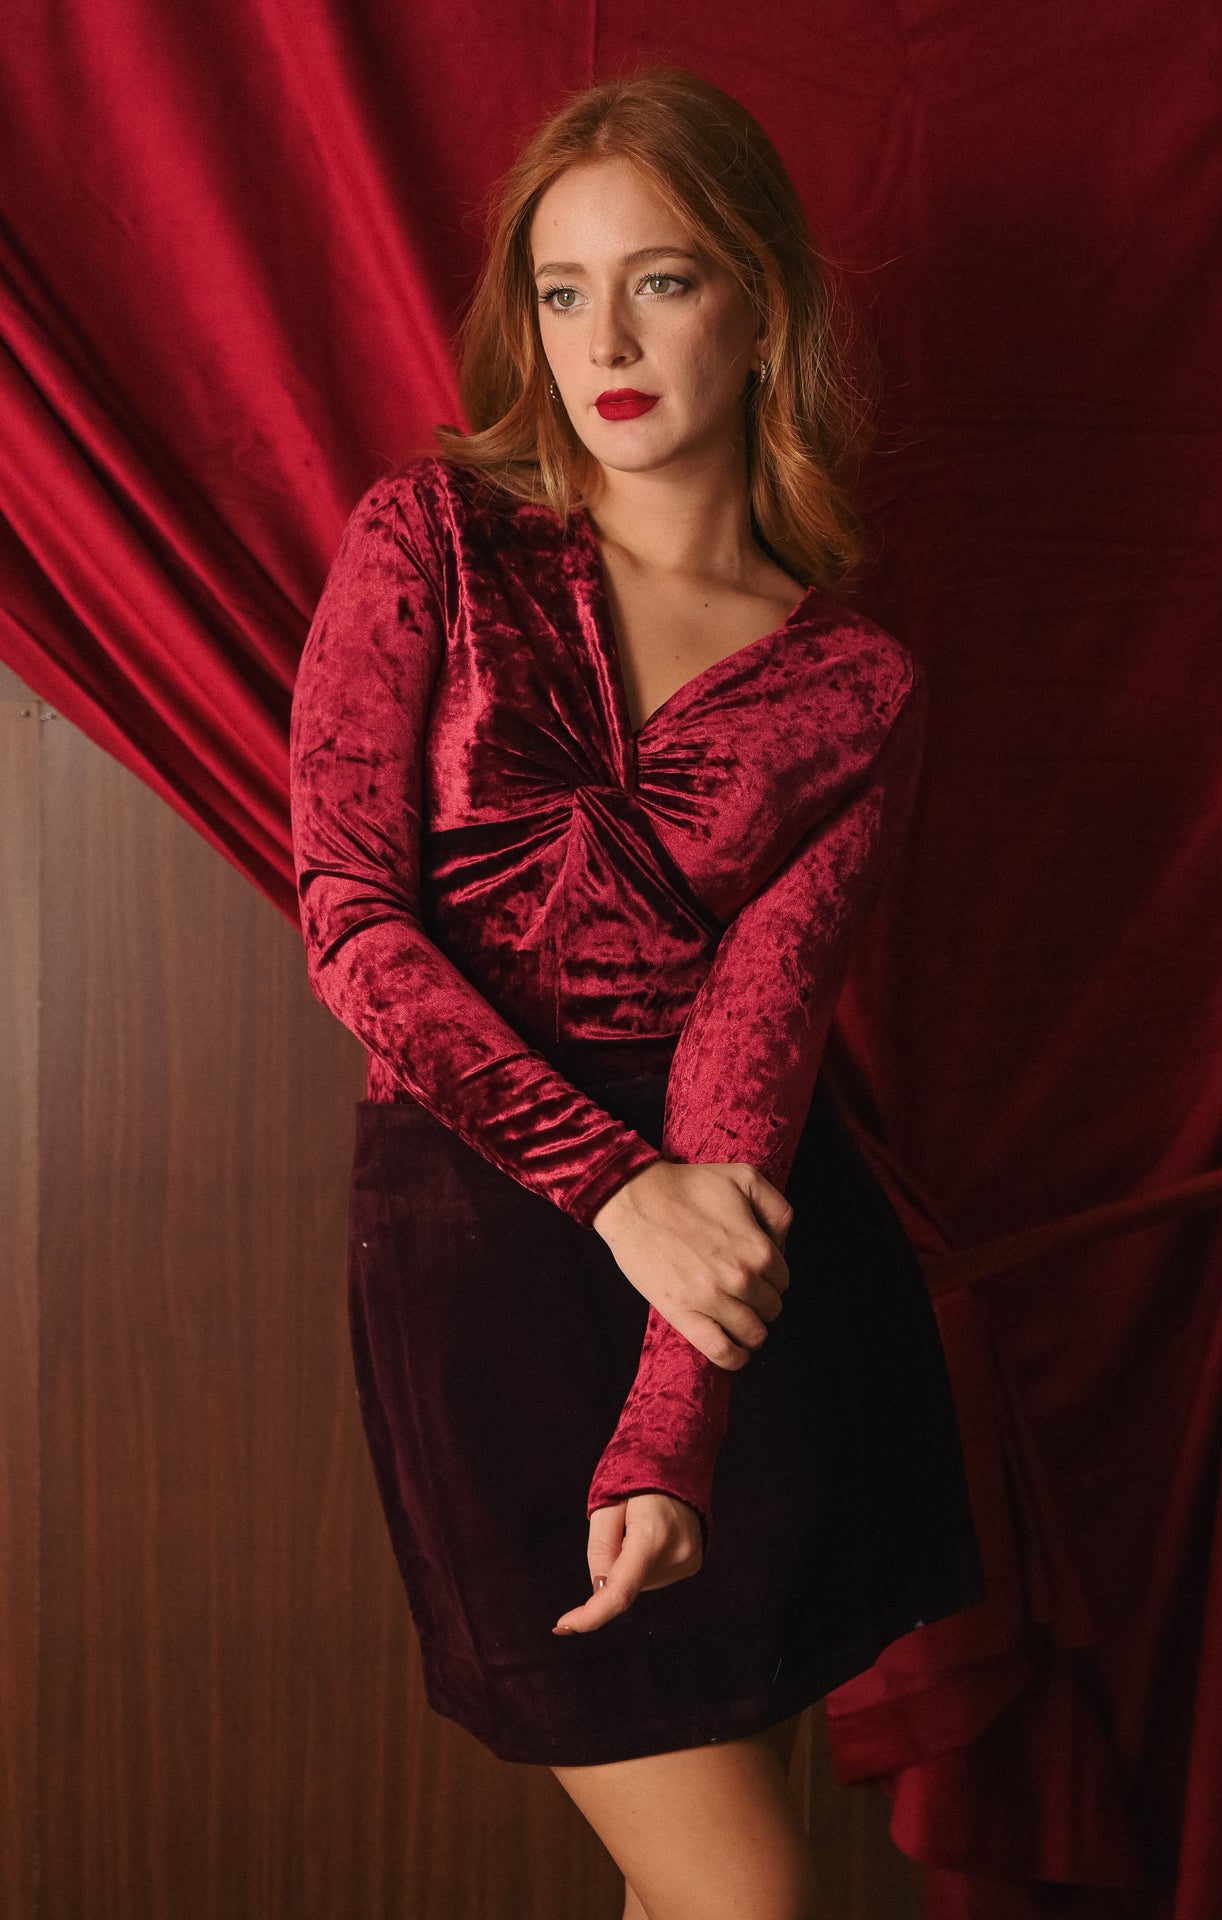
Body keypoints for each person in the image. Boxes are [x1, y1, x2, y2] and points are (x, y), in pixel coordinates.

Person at [288, 61, 985, 1920]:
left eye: (660, 281)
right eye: (562, 288)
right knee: (743, 1898)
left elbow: (756, 1059)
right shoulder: (430, 538)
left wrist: (675, 1418)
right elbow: (350, 920)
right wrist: (612, 1190)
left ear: (760, 312)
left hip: (745, 1276)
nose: (602, 340)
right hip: (483, 1247)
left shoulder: (852, 683)